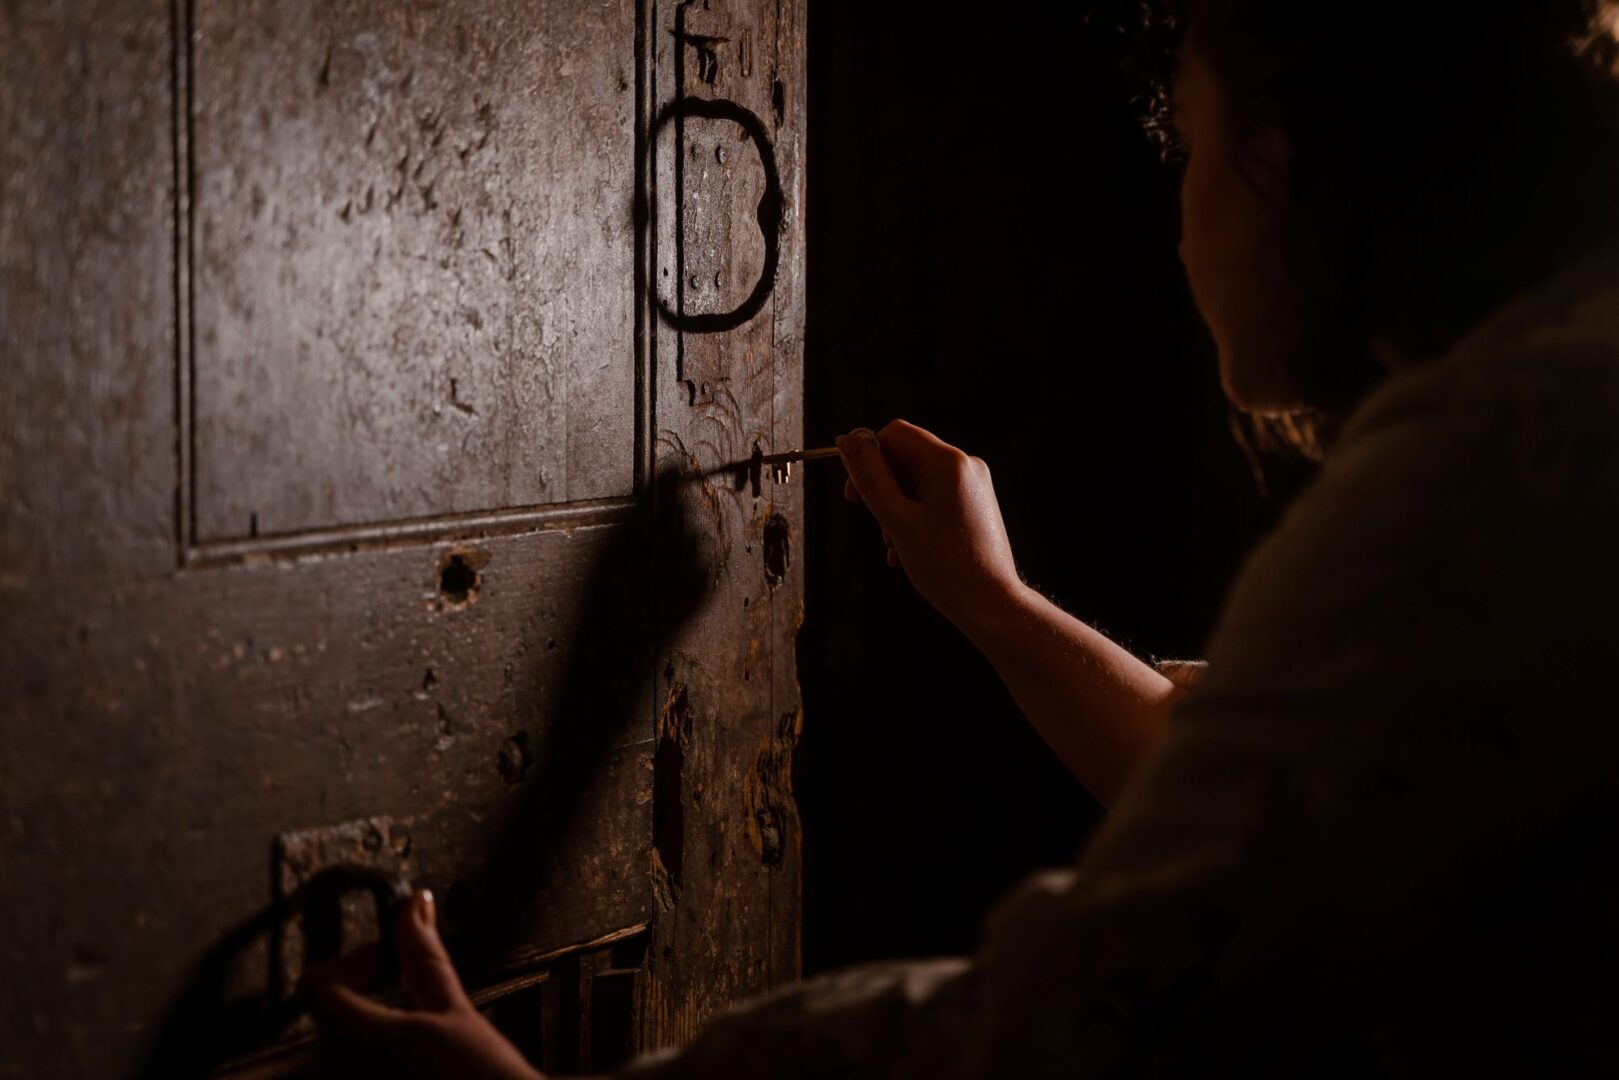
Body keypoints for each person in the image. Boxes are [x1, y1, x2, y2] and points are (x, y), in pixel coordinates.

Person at [308, 0, 1619, 1074]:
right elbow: (1270, 792)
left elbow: (1079, 1024)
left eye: (1192, 147)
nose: (1179, 218)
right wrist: (991, 600)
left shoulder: (1493, 464)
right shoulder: (1550, 412)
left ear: (1286, 157)